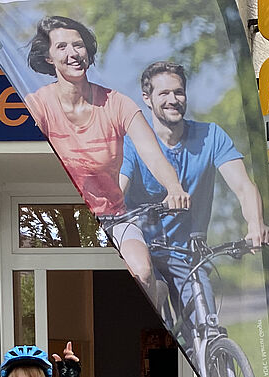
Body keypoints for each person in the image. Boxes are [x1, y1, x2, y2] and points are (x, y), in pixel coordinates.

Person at [24, 15, 189, 300]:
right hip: (63, 218)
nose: (73, 54)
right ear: (49, 57)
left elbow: (153, 154)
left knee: (142, 272)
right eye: (62, 47)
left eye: (78, 45)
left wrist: (174, 187)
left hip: (114, 217)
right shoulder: (38, 105)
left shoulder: (117, 103)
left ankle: (155, 310)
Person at [119, 61, 269, 334]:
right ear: (147, 99)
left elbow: (243, 186)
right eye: (163, 93)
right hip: (144, 246)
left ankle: (216, 373)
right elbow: (119, 187)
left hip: (186, 253)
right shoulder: (134, 142)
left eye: (178, 92)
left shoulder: (210, 136)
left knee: (208, 330)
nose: (173, 100)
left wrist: (255, 225)